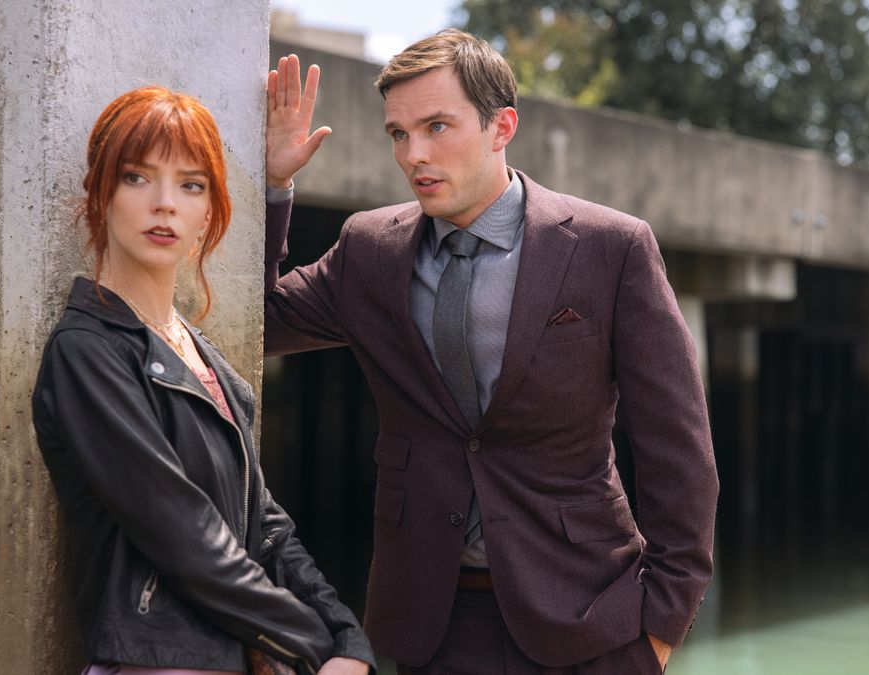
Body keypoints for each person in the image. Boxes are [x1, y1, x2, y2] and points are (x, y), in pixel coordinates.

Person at [264, 30, 718, 675]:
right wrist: (275, 187)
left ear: (501, 126)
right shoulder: (369, 250)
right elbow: (252, 324)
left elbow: (679, 446)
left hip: (592, 620)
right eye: (398, 133)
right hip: (429, 623)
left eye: (437, 126)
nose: (414, 153)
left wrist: (661, 624)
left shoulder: (609, 248)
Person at [31, 86, 373, 675]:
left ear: (210, 210)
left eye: (191, 184)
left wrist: (350, 643)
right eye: (138, 177)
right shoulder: (87, 351)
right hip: (154, 661)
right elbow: (185, 539)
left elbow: (266, 528)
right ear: (100, 193)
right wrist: (313, 648)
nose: (165, 204)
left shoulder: (205, 357)